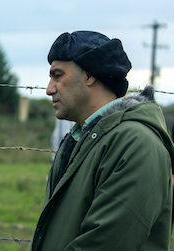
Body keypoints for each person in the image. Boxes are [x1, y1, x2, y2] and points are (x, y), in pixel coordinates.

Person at [31, 31, 174, 251]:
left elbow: (105, 243)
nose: (49, 88)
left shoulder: (136, 144)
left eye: (57, 76)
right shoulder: (79, 139)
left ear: (89, 76)